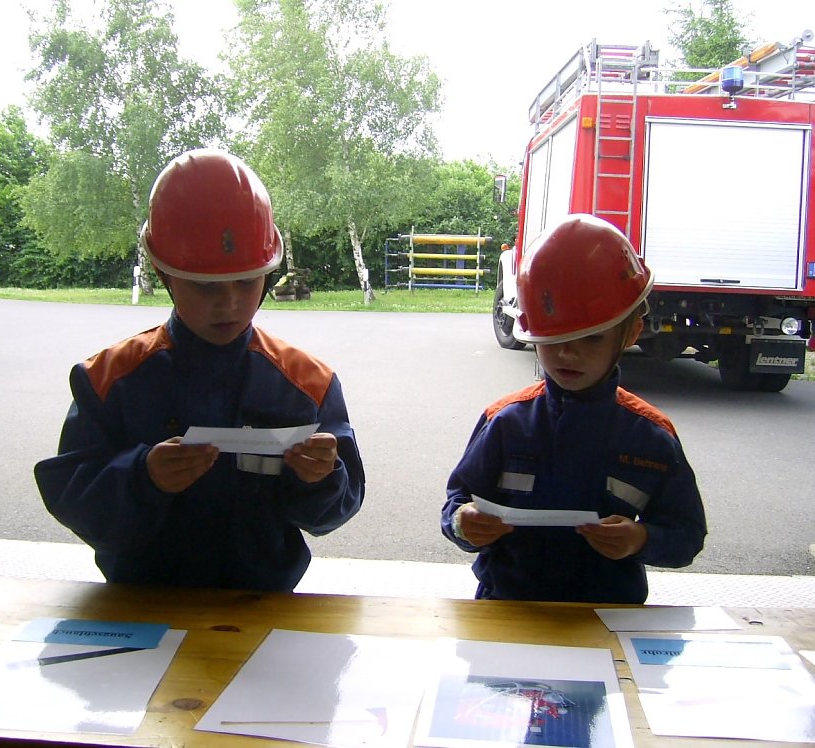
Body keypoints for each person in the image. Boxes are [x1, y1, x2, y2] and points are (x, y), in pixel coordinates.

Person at [35, 148, 365, 591]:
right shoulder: (110, 378)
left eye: (246, 281)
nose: (229, 303)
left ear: (268, 275)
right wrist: (143, 477)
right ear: (164, 275)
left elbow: (334, 511)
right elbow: (73, 499)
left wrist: (321, 479)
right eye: (205, 286)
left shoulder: (306, 383)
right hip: (140, 604)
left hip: (262, 605)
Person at [442, 213, 706, 604]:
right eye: (553, 338)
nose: (568, 353)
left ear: (630, 332)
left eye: (591, 338)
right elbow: (457, 503)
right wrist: (463, 524)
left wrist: (641, 539)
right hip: (508, 612)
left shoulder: (650, 436)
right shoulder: (506, 422)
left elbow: (687, 535)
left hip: (608, 616)